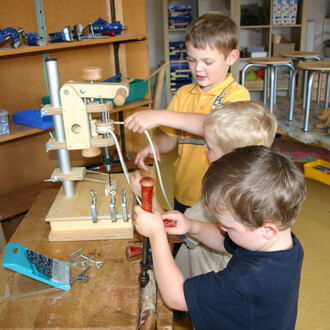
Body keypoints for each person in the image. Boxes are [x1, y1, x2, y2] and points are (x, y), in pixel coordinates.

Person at [133, 145, 306, 329]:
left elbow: (176, 298)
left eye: (229, 227)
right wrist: (192, 226)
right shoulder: (283, 244)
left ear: (268, 230)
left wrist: (156, 234)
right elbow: (226, 242)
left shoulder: (244, 281)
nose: (222, 229)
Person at [125, 12, 250, 216]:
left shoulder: (237, 96)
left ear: (231, 57)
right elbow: (172, 138)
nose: (198, 68)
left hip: (219, 196)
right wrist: (155, 145)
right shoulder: (184, 94)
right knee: (181, 242)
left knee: (206, 244)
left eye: (207, 62)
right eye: (192, 60)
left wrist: (160, 115)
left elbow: (215, 126)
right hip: (184, 191)